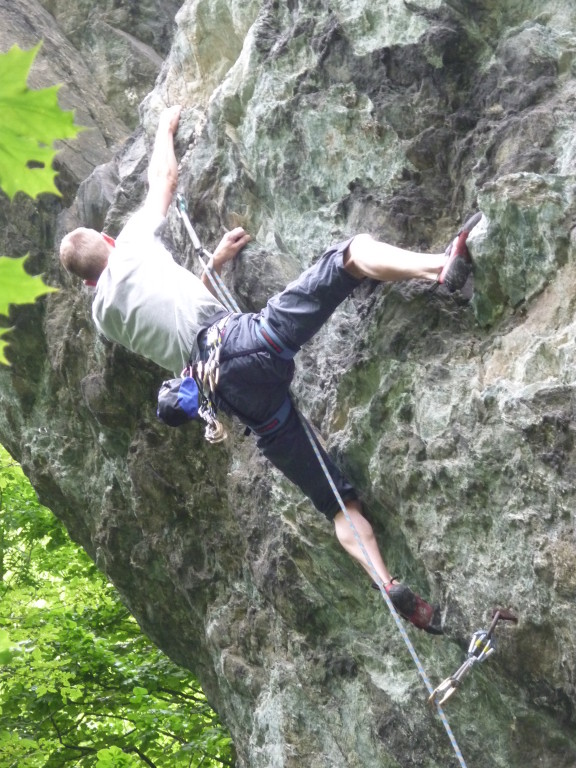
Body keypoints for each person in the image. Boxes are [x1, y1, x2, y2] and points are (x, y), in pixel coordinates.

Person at [60, 105, 481, 635]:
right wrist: (165, 130)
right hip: (242, 343)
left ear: (87, 286)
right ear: (112, 244)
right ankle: (440, 268)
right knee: (347, 256)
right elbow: (163, 180)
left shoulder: (103, 318)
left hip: (237, 397)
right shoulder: (133, 243)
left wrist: (212, 264)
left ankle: (386, 580)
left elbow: (168, 311)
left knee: (336, 503)